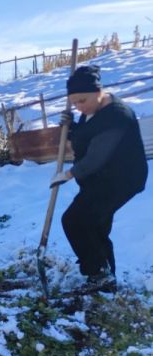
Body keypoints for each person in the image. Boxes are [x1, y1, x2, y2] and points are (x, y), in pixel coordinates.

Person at [52, 65, 147, 292]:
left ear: (98, 92)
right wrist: (72, 126)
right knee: (95, 225)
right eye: (74, 102)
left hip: (119, 180)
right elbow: (87, 136)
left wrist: (66, 174)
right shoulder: (90, 111)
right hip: (100, 178)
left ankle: (97, 272)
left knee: (74, 220)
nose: (79, 107)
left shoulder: (117, 116)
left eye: (82, 100)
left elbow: (96, 157)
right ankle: (105, 277)